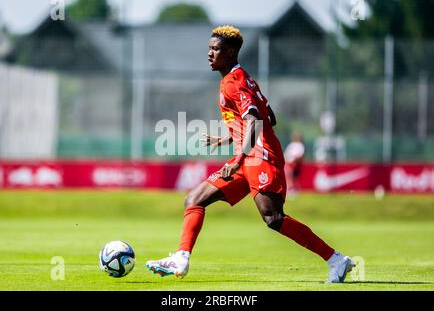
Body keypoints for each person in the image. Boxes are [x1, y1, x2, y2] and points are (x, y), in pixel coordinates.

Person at [146, 26, 354, 283]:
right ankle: (181, 258)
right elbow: (270, 117)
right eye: (209, 48)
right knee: (194, 199)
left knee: (273, 218)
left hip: (261, 158)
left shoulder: (235, 83)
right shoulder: (241, 79)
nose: (209, 54)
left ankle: (337, 260)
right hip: (248, 158)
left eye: (215, 49)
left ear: (230, 52)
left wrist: (238, 160)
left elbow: (256, 122)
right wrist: (227, 139)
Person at [284, 132, 305, 196]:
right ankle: (290, 189)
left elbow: (300, 155)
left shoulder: (300, 145)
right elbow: (287, 153)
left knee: (293, 177)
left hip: (295, 163)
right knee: (289, 176)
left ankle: (294, 190)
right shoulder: (291, 145)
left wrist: (295, 160)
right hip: (289, 162)